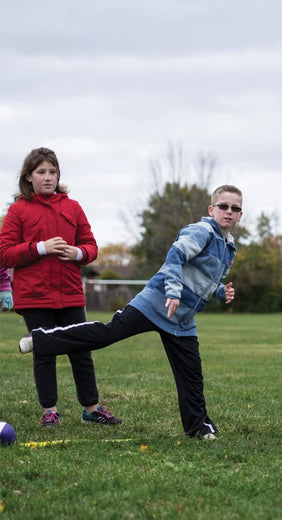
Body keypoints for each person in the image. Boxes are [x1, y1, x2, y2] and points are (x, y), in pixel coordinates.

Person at [18, 185, 243, 439]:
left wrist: (221, 290)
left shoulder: (229, 247)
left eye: (234, 208)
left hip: (182, 320)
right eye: (223, 206)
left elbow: (204, 279)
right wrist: (172, 292)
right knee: (106, 334)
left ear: (239, 215)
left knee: (191, 375)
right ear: (212, 209)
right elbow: (175, 256)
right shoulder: (202, 231)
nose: (228, 211)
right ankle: (41, 338)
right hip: (156, 303)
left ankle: (199, 428)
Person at [0, 147, 121, 426]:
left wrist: (78, 254)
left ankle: (91, 410)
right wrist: (40, 248)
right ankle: (49, 411)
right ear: (28, 176)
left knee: (81, 351)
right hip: (34, 296)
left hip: (69, 293)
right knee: (44, 353)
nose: (48, 177)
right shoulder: (18, 210)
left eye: (52, 172)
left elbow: (91, 247)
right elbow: (5, 254)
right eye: (41, 172)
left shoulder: (73, 207)